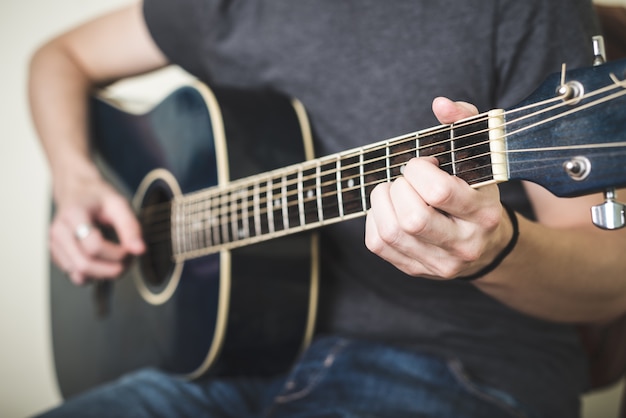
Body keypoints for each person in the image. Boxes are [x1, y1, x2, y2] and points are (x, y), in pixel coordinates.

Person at [28, 1, 626, 417]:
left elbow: (612, 276)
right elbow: (57, 58)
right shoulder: (222, 6)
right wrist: (75, 178)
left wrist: (495, 253)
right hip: (223, 363)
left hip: (459, 367)